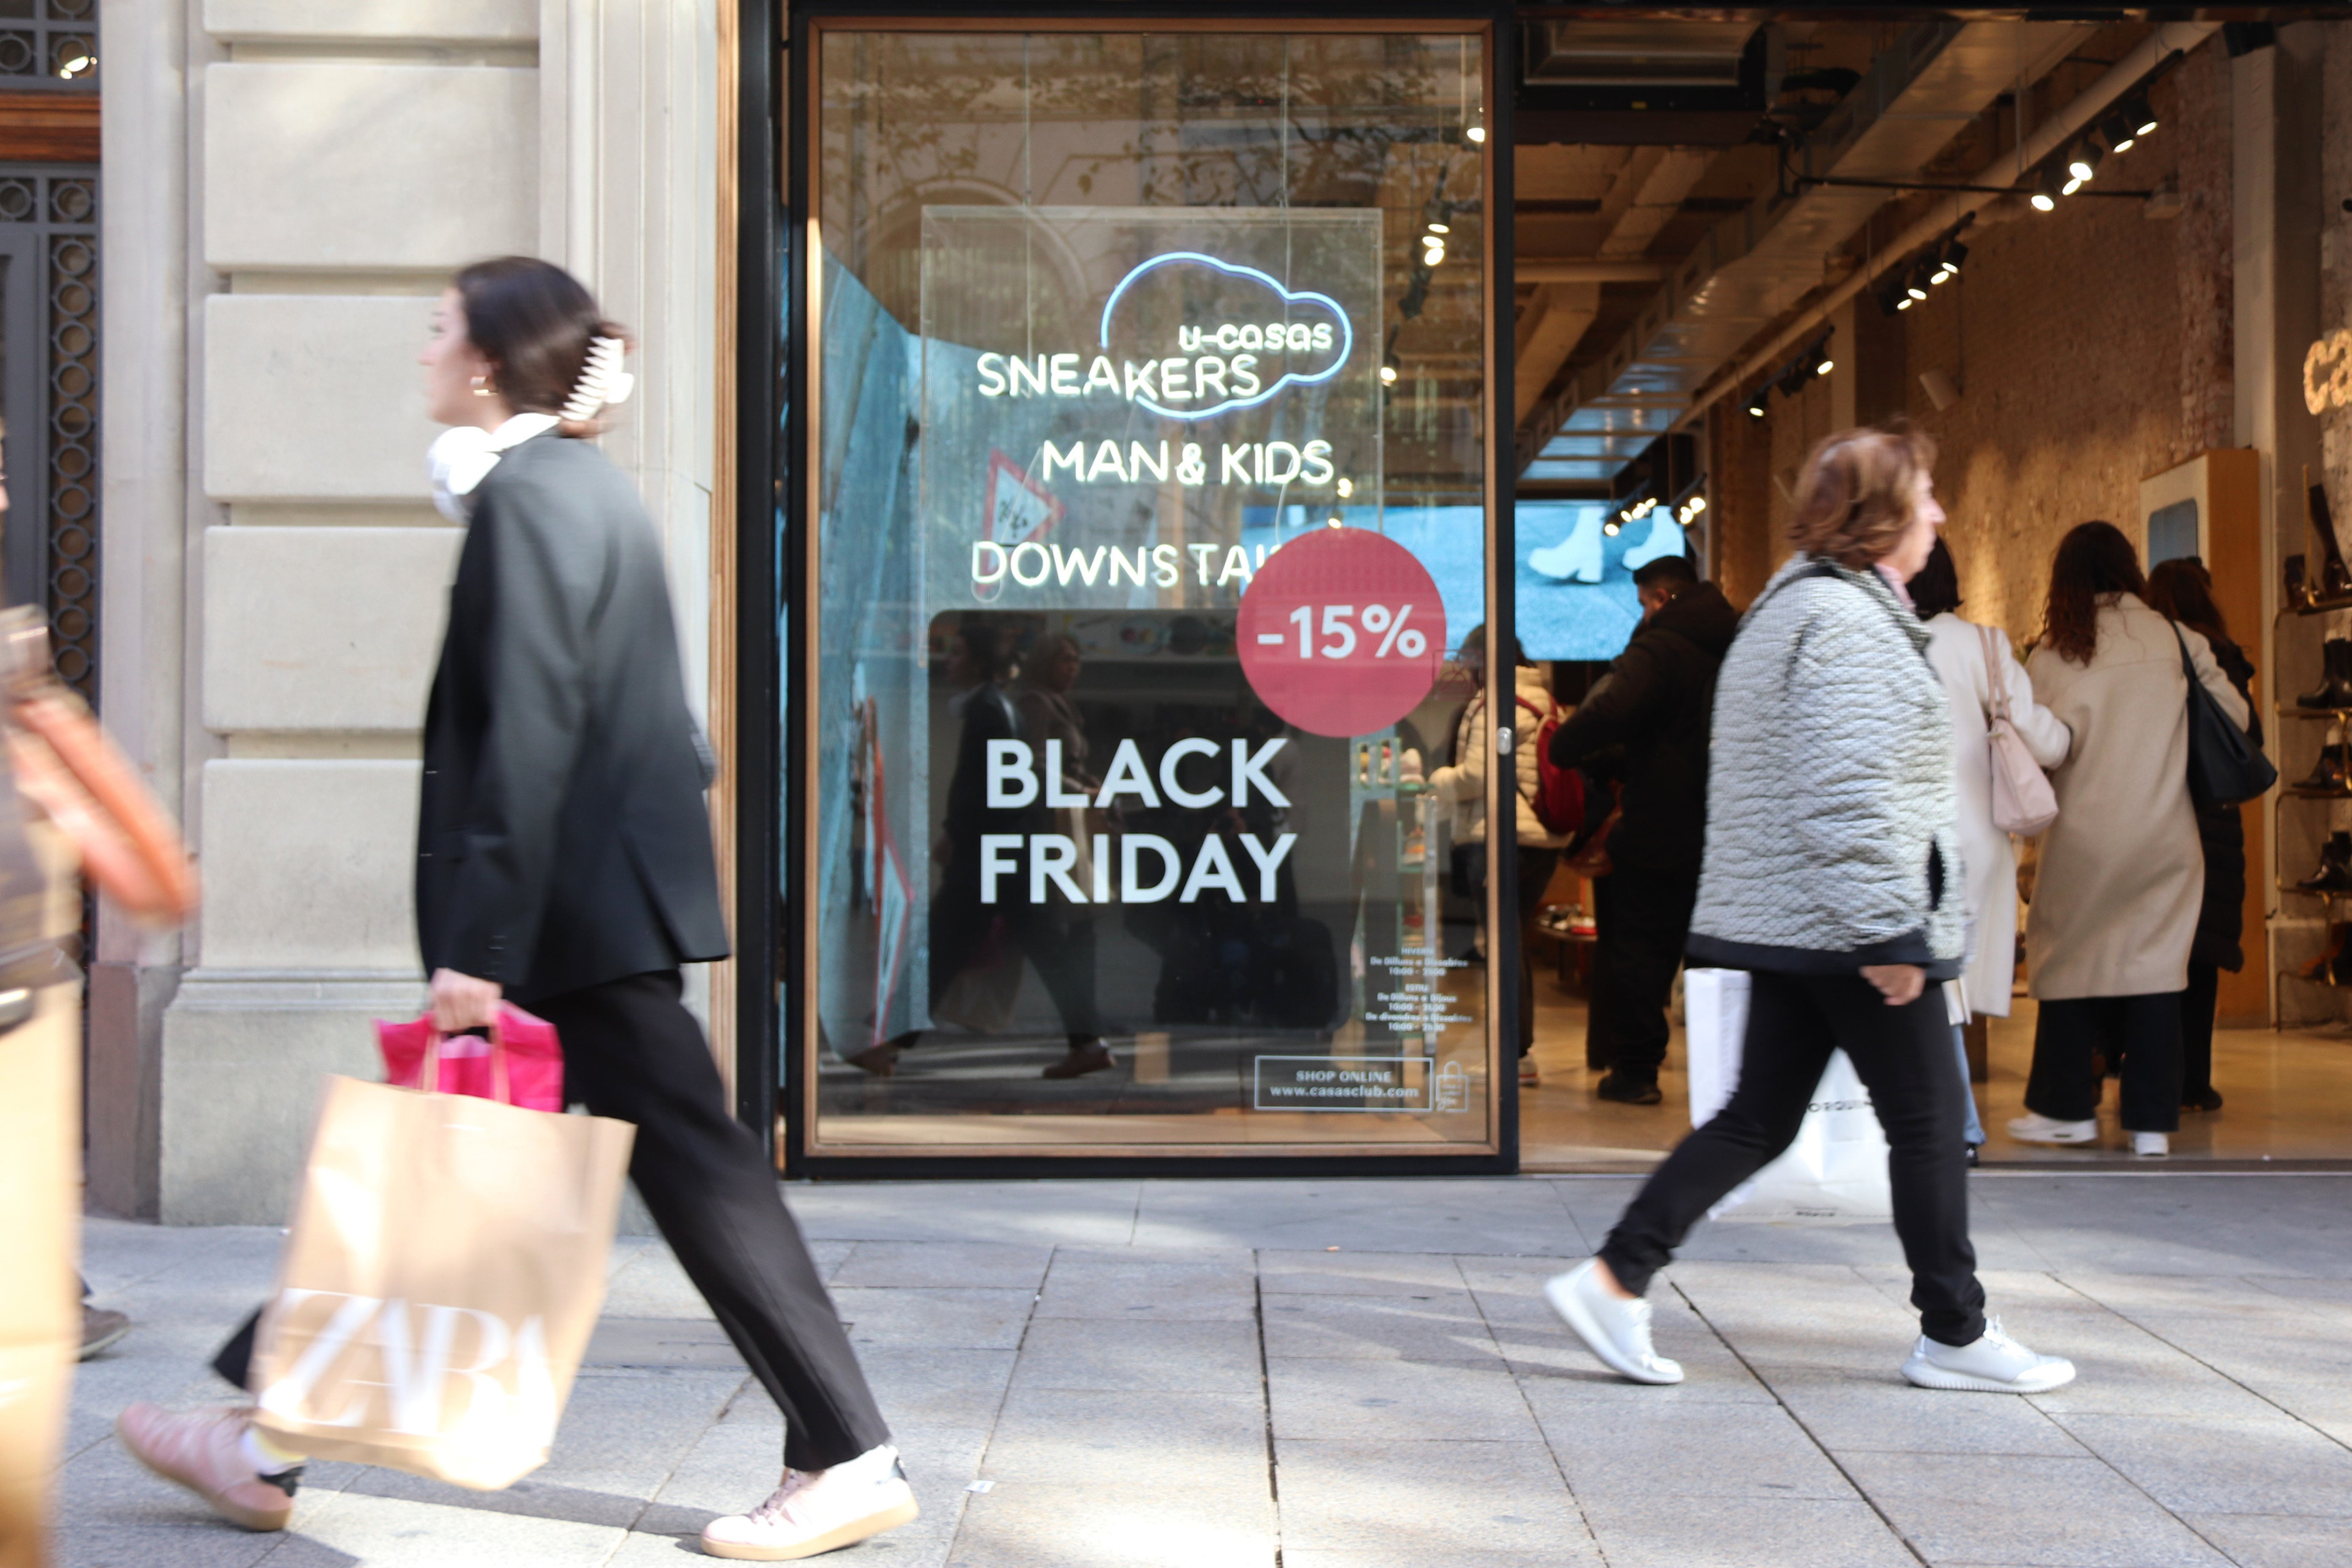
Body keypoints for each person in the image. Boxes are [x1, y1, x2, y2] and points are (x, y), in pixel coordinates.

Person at [115, 257, 917, 1561]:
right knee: (446, 1170)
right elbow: (670, 729)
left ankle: (847, 1446)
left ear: (486, 361)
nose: (421, 349)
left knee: (684, 1178)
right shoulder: (579, 491)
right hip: (594, 902)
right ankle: (266, 1433)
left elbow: (533, 731)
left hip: (570, 920)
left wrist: (480, 948)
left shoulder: (534, 499)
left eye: (436, 329)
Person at [1544, 426, 2075, 1396]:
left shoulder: (1798, 609)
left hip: (1797, 920)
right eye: (1924, 496)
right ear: (1879, 517)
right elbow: (1843, 790)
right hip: (1848, 925)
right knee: (1925, 1122)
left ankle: (1616, 1275)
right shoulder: (1840, 621)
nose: (1940, 515)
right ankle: (1954, 1330)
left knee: (1757, 1116)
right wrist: (1888, 929)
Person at [2011, 524, 2248, 1158]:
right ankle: (2150, 1124)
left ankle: (2067, 1108)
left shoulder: (2055, 651)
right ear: (2128, 568)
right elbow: (2237, 716)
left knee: (2067, 965)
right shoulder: (2173, 636)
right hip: (2165, 836)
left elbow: (2039, 746)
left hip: (2085, 838)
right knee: (2155, 973)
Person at [854, 621, 1110, 1079]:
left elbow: (984, 785)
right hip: (1004, 849)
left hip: (989, 853)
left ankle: (887, 1042)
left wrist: (955, 832)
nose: (948, 662)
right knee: (1004, 948)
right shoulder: (997, 708)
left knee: (943, 946)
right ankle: (1087, 1041)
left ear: (976, 659)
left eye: (956, 653)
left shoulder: (991, 711)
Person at [1547, 552, 1739, 1105]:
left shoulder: (1659, 649)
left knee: (1640, 955)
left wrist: (1572, 745)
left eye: (1642, 604)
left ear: (1659, 599)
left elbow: (1609, 712)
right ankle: (1725, 1077)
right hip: (1729, 832)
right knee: (1717, 961)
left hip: (1661, 827)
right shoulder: (1740, 643)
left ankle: (1636, 1072)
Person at [1912, 540, 2073, 1155]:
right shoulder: (1983, 643)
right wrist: (2074, 736)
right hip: (1977, 841)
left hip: (1906, 842)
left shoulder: (1877, 644)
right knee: (1943, 987)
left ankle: (1956, 1127)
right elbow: (2043, 738)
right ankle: (1956, 1126)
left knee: (1930, 989)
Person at [2142, 556, 2260, 1115]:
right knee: (2204, 953)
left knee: (2159, 948)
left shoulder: (2149, 653)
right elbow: (2250, 732)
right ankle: (2196, 1082)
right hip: (2216, 813)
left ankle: (2149, 1070)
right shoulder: (2223, 656)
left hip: (2161, 807)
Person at [1427, 628, 1569, 1084]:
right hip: (1540, 840)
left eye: (1468, 658)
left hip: (1498, 837)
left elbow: (1476, 776)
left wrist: (1438, 780)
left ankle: (1515, 1053)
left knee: (1502, 946)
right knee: (1513, 943)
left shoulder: (1492, 703)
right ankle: (1518, 1052)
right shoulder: (1545, 700)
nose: (1465, 668)